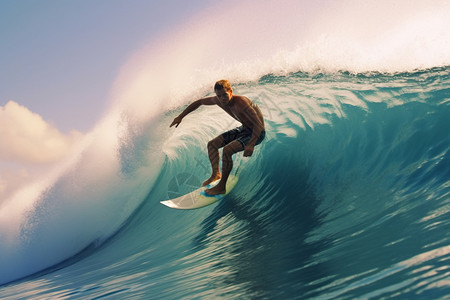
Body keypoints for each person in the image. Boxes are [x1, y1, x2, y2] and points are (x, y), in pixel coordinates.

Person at [170, 79, 265, 195]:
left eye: (224, 95)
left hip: (257, 133)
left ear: (230, 91)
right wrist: (180, 116)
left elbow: (258, 125)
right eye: (219, 96)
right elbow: (199, 102)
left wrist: (250, 144)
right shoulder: (218, 100)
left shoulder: (241, 103)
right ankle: (216, 175)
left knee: (227, 150)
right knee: (212, 145)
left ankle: (221, 187)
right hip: (244, 129)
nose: (222, 99)